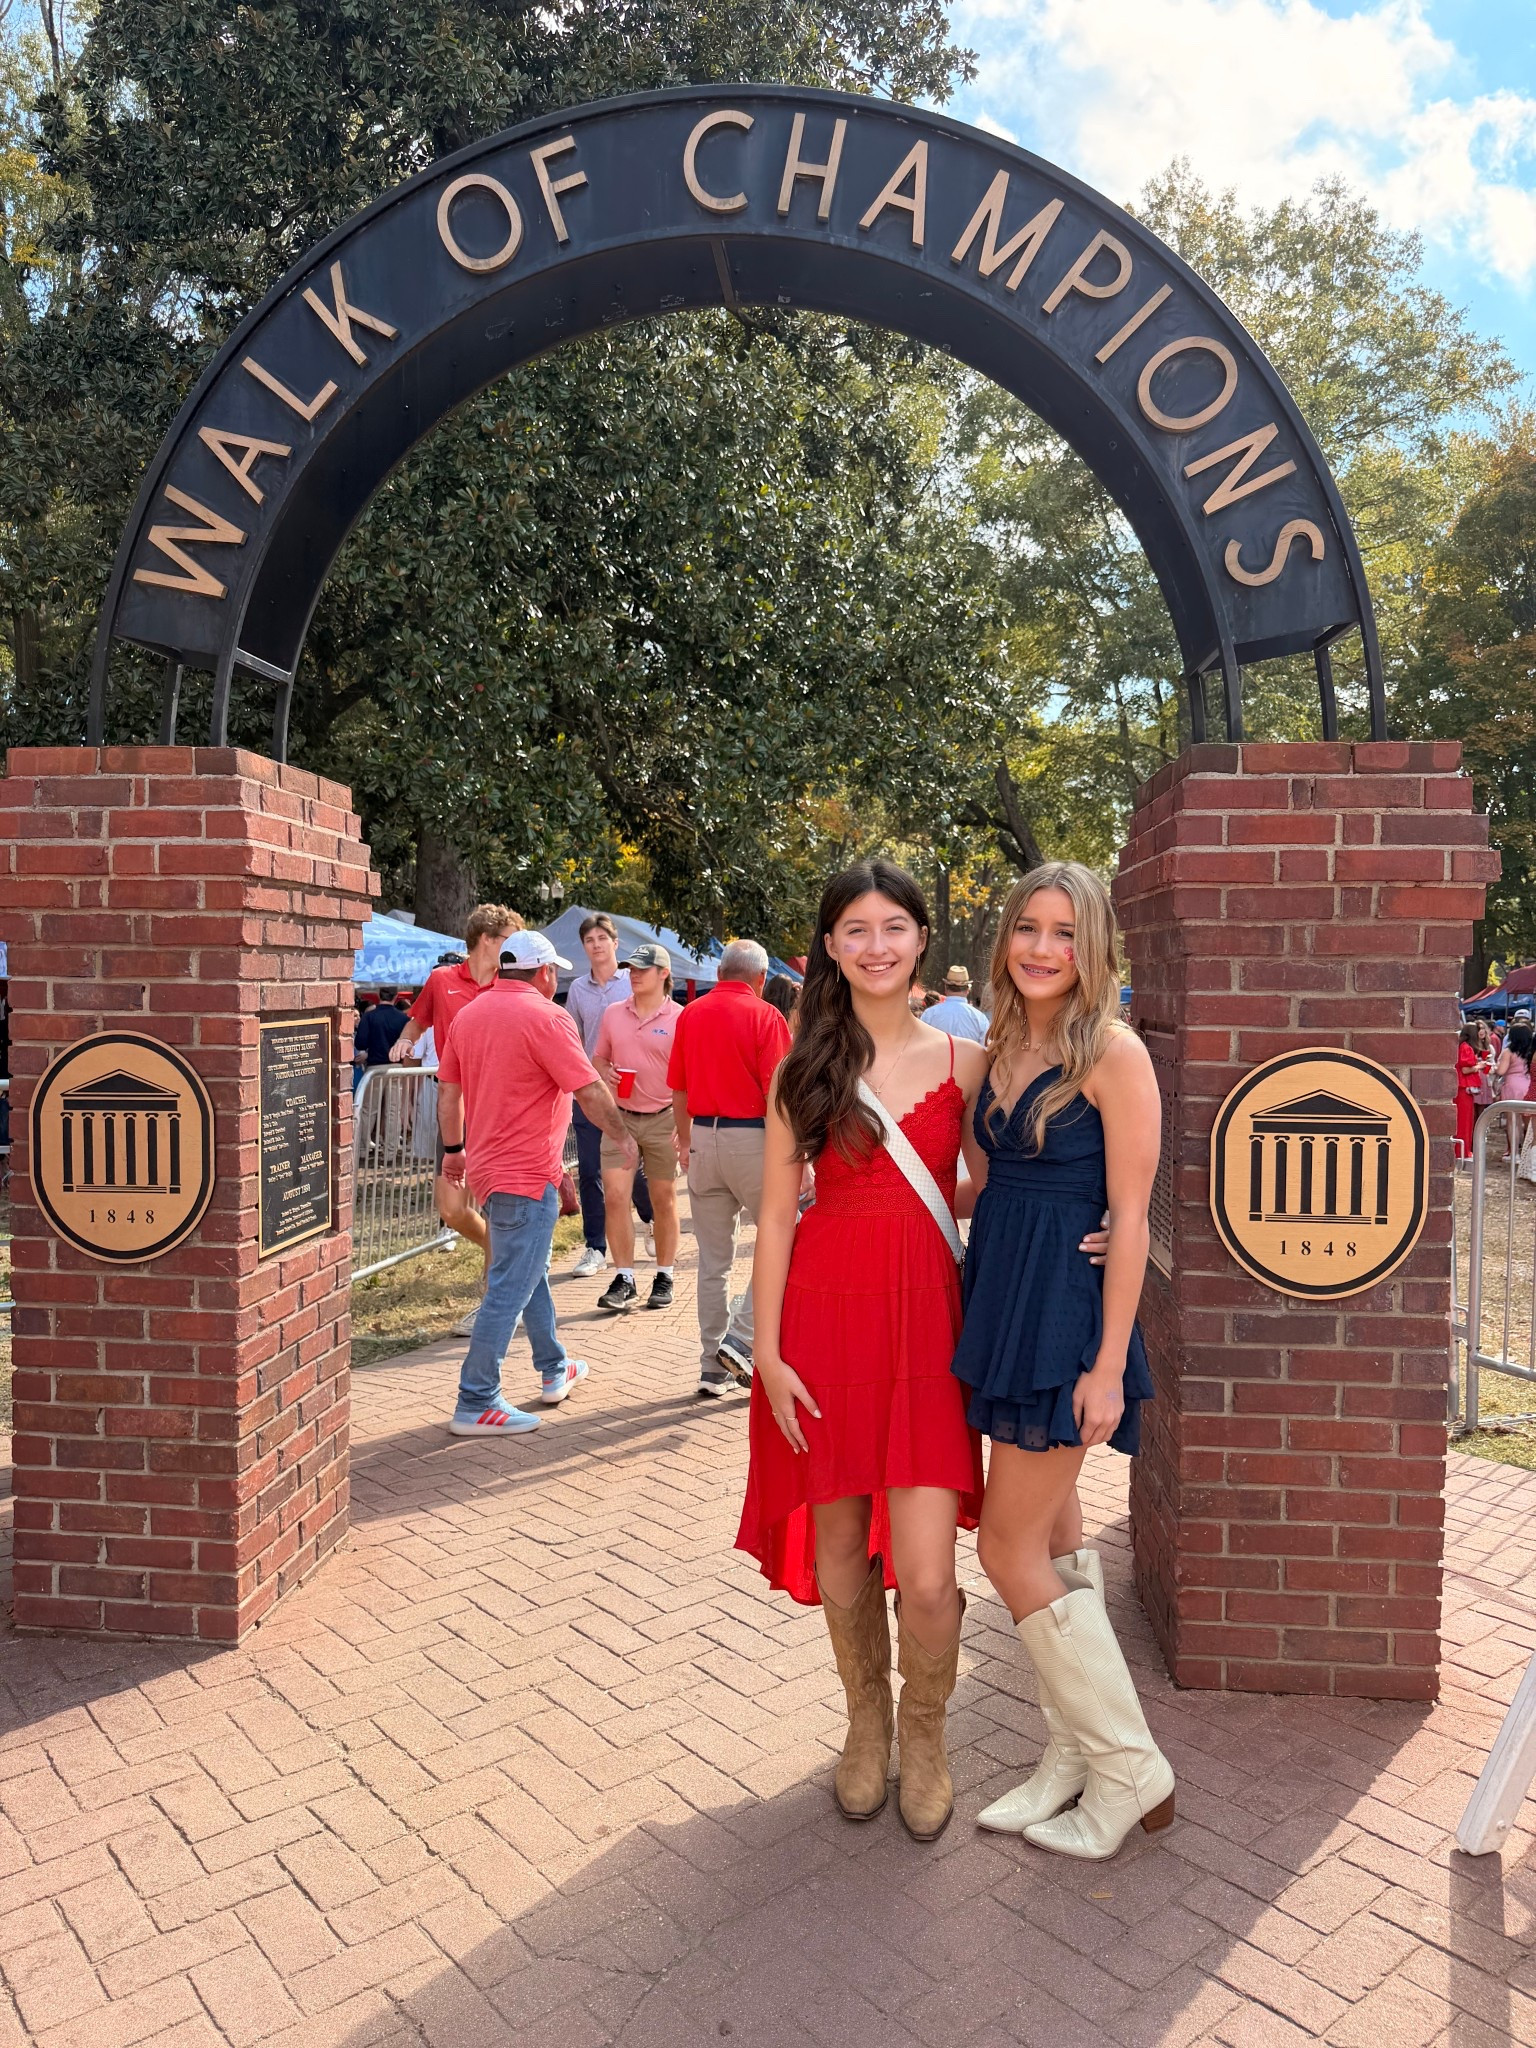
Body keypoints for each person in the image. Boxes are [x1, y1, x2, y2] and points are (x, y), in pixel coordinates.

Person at [740, 862, 990, 1841]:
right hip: (824, 1319)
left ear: (921, 938)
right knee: (840, 1537)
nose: (876, 943)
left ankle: (925, 1732)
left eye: (894, 924)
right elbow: (772, 1212)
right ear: (830, 946)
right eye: (855, 927)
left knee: (927, 1573)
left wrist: (1090, 1225)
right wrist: (765, 1347)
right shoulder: (800, 1065)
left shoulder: (967, 1065)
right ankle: (866, 1722)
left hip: (928, 1322)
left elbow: (1000, 1187)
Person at [953, 860, 1171, 1861]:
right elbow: (991, 1191)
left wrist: (1106, 1358)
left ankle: (1130, 1764)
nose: (1043, 947)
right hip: (1004, 1299)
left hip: (1067, 1322)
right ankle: (1070, 1755)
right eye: (1027, 928)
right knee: (1056, 1541)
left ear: (1095, 947)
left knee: (1007, 1549)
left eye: (1065, 932)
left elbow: (1131, 1214)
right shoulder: (1000, 1045)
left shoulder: (1114, 1052)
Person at [437, 931, 637, 1436]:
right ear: (544, 973)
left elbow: (448, 1094)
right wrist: (625, 1138)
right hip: (526, 1173)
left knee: (528, 1272)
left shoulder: (469, 1014)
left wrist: (453, 1152)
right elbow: (589, 1091)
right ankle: (476, 1398)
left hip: (490, 1168)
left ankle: (554, 1367)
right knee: (511, 1283)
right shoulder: (548, 1016)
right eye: (555, 973)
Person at [392, 904, 524, 1335]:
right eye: (509, 938)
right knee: (451, 1208)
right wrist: (403, 1043)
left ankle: (492, 1305)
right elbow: (417, 1024)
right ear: (487, 938)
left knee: (494, 1204)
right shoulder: (442, 980)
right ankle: (510, 1254)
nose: (514, 946)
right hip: (453, 1104)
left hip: (499, 1106)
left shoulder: (513, 983)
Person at [669, 939, 791, 1396]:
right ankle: (741, 1337)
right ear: (760, 979)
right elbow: (777, 1095)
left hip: (702, 1134)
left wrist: (685, 1142)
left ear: (720, 973)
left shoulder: (690, 1014)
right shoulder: (765, 1016)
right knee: (785, 1239)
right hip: (753, 1138)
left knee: (713, 1261)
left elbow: (678, 1090)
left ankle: (710, 1364)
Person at [592, 943, 683, 1312]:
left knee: (663, 1200)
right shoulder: (613, 1013)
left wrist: (684, 1123)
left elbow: (689, 1076)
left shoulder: (681, 1017)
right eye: (631, 968)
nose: (633, 974)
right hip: (621, 1118)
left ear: (663, 973)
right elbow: (598, 1059)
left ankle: (665, 1273)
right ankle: (625, 1277)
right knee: (614, 1197)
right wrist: (604, 1071)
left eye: (642, 969)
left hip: (664, 1118)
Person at [566, 913, 655, 1279]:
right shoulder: (576, 990)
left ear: (615, 944)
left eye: (603, 938)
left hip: (628, 1091)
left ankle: (650, 1219)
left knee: (630, 1169)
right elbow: (572, 1037)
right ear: (584, 947)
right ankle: (594, 1247)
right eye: (590, 940)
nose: (597, 944)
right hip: (589, 1090)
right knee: (589, 1170)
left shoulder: (631, 983)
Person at [922, 964, 990, 1044]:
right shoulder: (980, 1018)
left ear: (946, 988)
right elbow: (985, 1049)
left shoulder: (929, 1014)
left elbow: (920, 1044)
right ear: (968, 990)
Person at [1496, 1020, 1533, 1157]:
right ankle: (1528, 1154)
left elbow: (1501, 1071)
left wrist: (1494, 1067)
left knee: (1513, 1122)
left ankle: (1514, 1153)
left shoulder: (1508, 1051)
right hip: (1529, 1084)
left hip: (1512, 1086)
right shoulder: (1532, 1051)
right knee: (1529, 1124)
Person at [1456, 1024, 1486, 1161]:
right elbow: (1465, 1070)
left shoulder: (1462, 1046)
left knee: (1465, 1120)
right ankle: (1463, 1151)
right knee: (1465, 1121)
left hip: (1462, 1088)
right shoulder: (1466, 1048)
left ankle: (1463, 1150)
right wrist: (1478, 1066)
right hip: (1464, 1089)